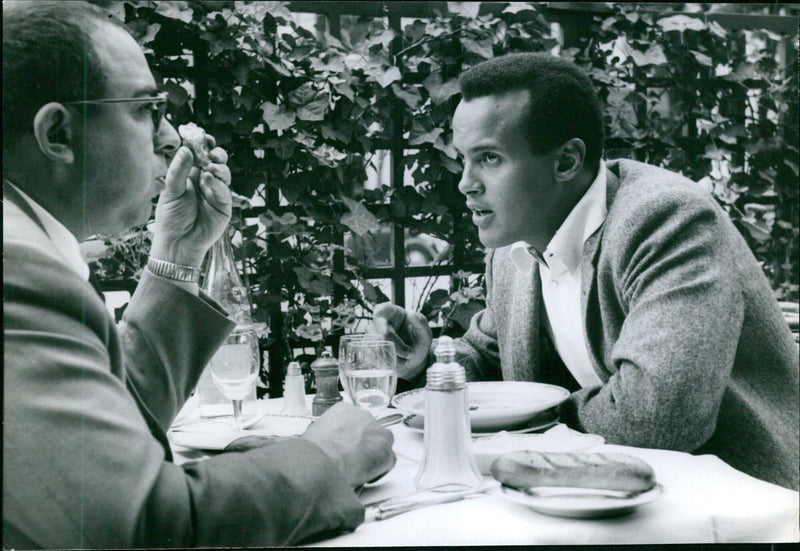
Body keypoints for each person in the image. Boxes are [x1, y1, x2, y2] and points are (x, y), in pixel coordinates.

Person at [2, 2, 395, 547]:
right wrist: (326, 456)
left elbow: (101, 433)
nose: (169, 138)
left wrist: (179, 253)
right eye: (146, 108)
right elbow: (134, 524)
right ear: (58, 133)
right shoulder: (14, 274)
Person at [374, 52, 799, 491]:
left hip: (738, 499)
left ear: (566, 161)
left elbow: (659, 418)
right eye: (464, 158)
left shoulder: (667, 221)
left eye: (490, 158)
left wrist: (533, 416)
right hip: (602, 492)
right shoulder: (516, 247)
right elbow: (489, 358)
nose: (465, 182)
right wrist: (424, 362)